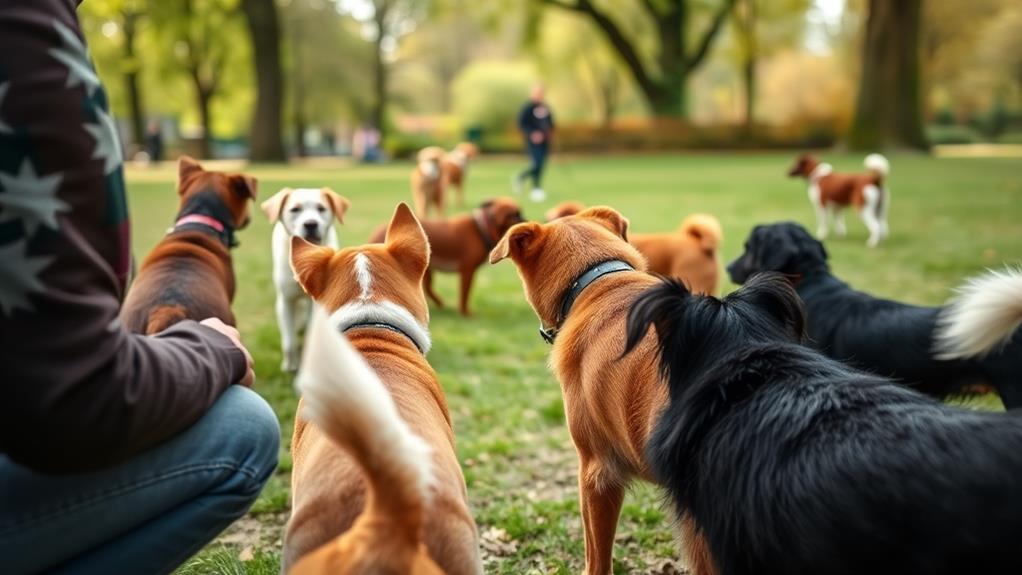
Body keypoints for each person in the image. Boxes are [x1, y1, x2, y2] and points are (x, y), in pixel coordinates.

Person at [0, 2, 279, 574]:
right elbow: (76, 401)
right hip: (46, 422)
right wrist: (216, 347)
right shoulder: (27, 41)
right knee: (247, 428)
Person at [514, 83, 555, 202]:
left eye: (541, 93)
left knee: (541, 165)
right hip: (533, 142)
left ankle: (536, 188)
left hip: (545, 142)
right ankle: (522, 177)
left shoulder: (545, 107)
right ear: (532, 93)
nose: (539, 95)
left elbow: (551, 122)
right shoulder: (527, 108)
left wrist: (549, 132)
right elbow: (522, 124)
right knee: (536, 164)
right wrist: (532, 133)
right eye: (537, 93)